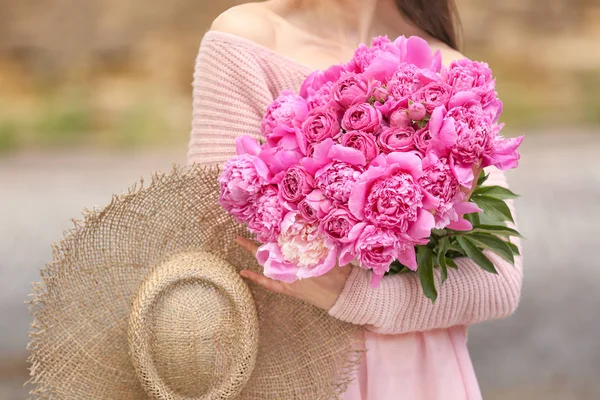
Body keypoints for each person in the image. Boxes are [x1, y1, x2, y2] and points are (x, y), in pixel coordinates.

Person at [187, 1, 523, 398]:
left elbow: (500, 281)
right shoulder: (247, 39)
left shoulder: (448, 67)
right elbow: (220, 241)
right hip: (297, 370)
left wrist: (355, 295)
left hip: (421, 376)